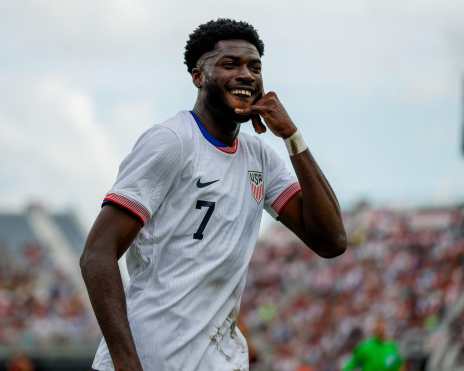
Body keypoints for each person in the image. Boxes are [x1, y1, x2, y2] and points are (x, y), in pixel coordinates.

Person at [80, 18, 347, 371]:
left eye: (255, 67)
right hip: (152, 360)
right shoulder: (172, 142)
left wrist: (292, 136)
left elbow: (331, 241)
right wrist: (127, 364)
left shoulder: (260, 158)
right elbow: (97, 254)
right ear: (198, 76)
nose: (246, 75)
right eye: (230, 64)